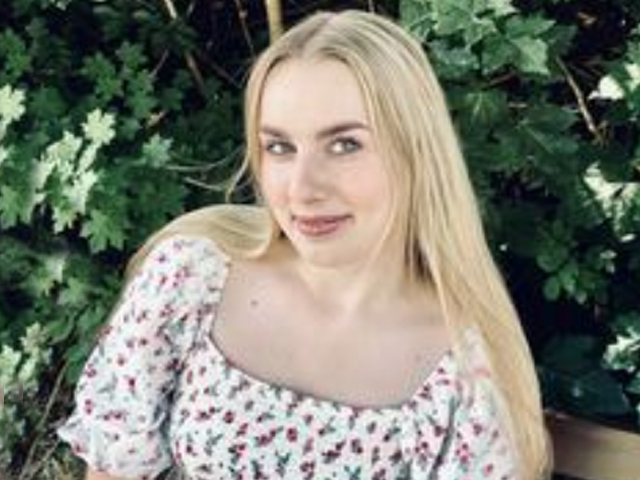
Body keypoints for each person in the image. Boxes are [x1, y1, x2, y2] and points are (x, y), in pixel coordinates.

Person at [58, 9, 551, 480]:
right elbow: (114, 467)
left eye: (344, 145)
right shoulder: (193, 276)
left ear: (417, 152)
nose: (302, 189)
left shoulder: (465, 375)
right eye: (279, 147)